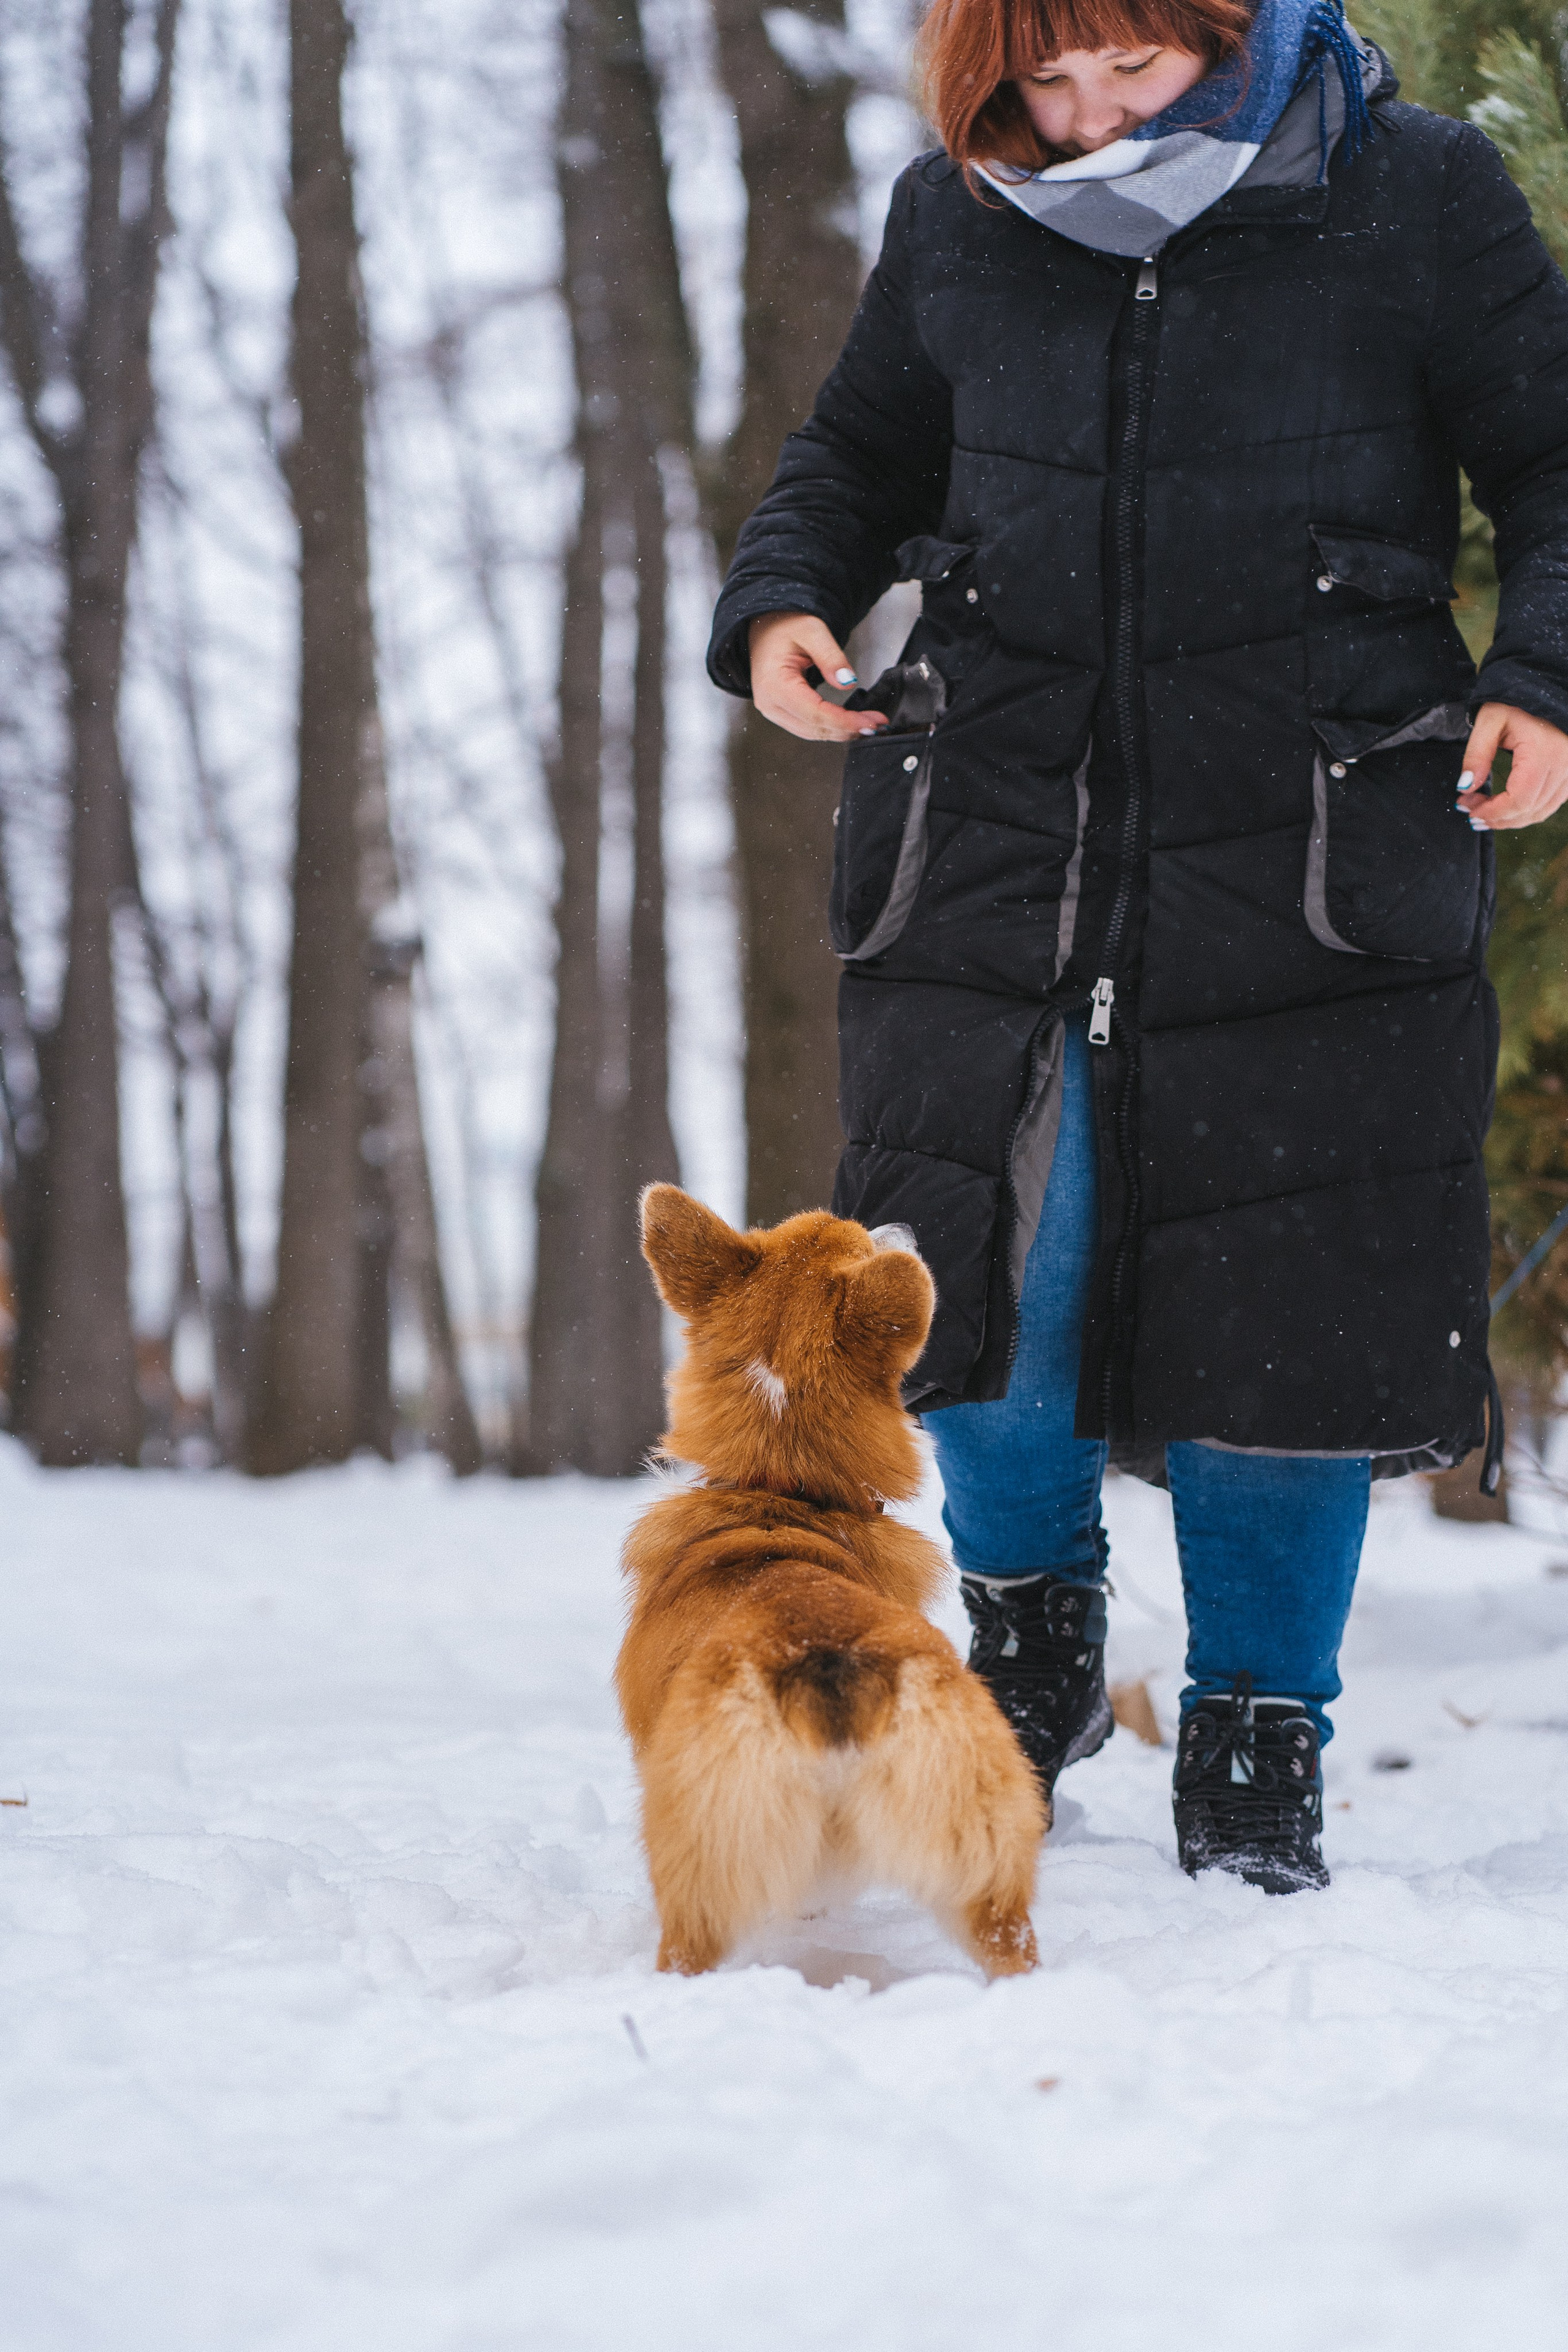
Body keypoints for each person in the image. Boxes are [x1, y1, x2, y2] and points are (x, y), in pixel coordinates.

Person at [706, 0, 1568, 1891]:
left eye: (1132, 70)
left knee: (1290, 1307)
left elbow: (1556, 461)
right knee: (986, 1290)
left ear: (1227, 27)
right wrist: (783, 596)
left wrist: (1545, 681)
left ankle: (1261, 1733)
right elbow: (856, 450)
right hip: (1001, 837)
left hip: (1315, 839)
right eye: (1043, 82)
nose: (1084, 119)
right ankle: (1033, 1639)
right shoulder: (964, 212)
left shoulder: (1409, 192)